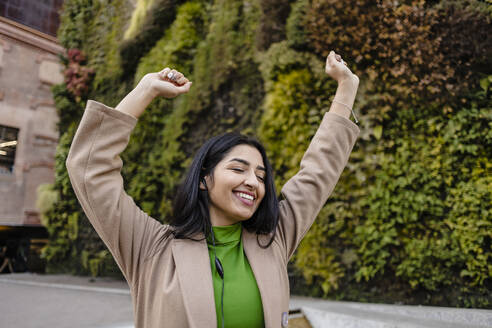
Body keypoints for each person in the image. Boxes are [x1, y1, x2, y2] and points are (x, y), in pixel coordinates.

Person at [66, 50, 360, 328]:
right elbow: (91, 170)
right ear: (204, 180)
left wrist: (346, 87)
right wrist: (145, 91)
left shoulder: (274, 239)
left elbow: (318, 172)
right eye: (238, 169)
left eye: (261, 175)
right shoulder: (151, 247)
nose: (253, 182)